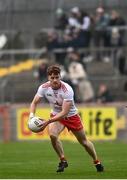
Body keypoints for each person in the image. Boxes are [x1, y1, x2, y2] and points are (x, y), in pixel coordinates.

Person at [29, 65, 104, 173]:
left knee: (83, 142)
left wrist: (48, 121)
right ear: (48, 78)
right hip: (56, 115)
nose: (55, 80)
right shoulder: (43, 88)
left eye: (57, 77)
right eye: (52, 78)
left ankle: (96, 161)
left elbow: (64, 112)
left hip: (71, 116)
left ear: (60, 77)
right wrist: (31, 116)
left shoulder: (67, 89)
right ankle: (63, 160)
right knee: (52, 135)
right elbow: (34, 102)